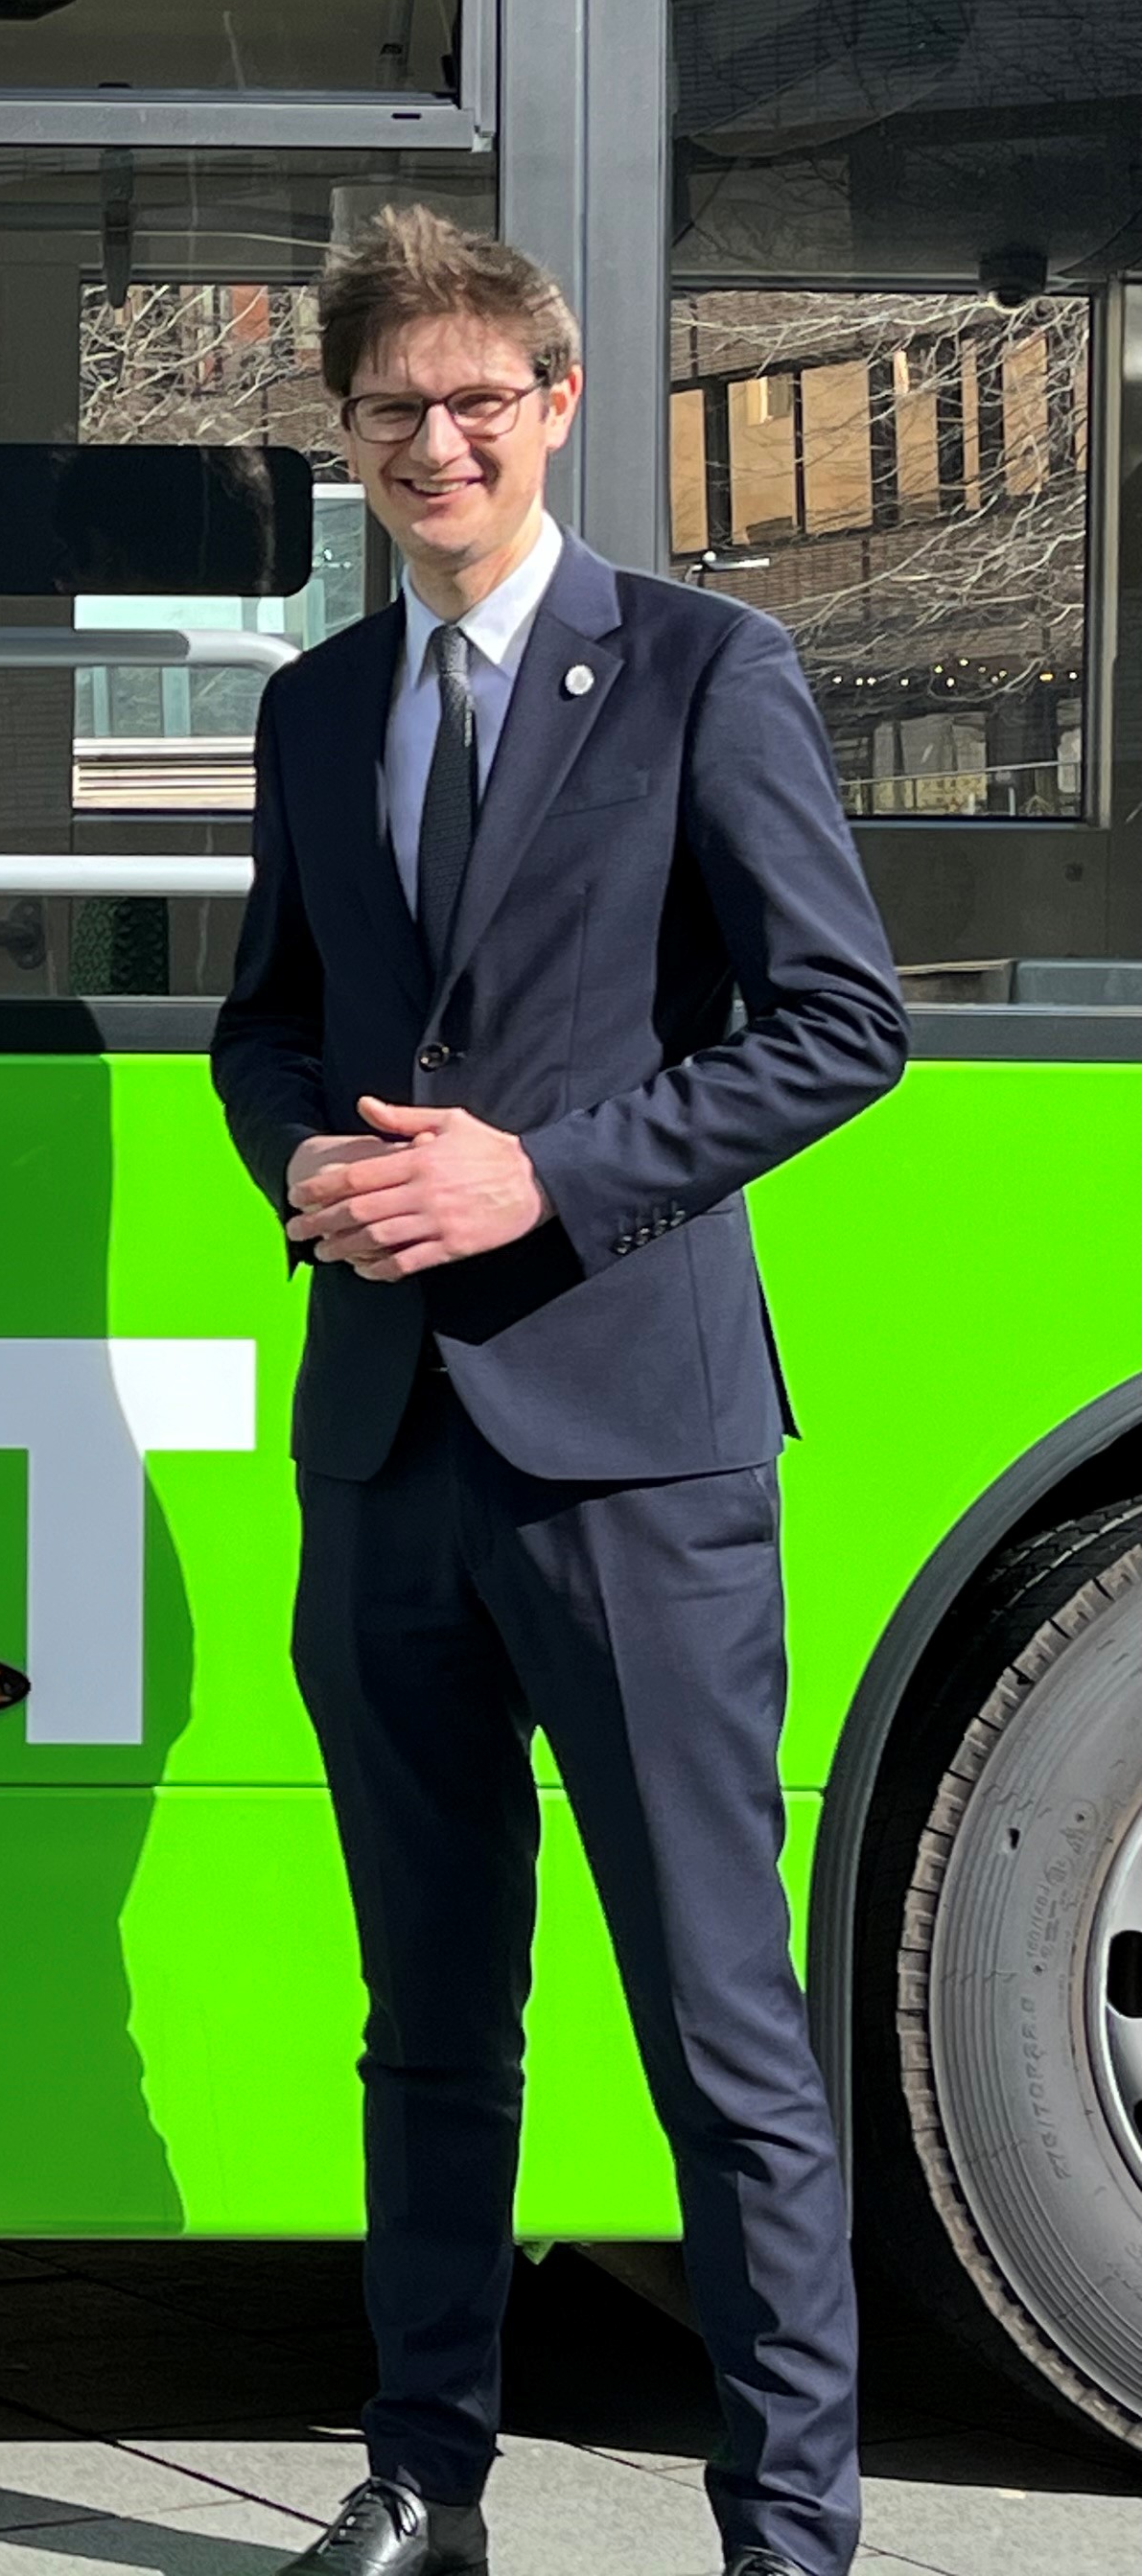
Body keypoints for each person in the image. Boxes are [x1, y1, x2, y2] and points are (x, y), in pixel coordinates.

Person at [211, 212, 905, 2576]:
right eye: (395, 405)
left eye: (481, 395)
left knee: (723, 2028)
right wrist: (298, 1149)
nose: (441, 437)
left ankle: (787, 2537)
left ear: (558, 402)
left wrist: (547, 1179)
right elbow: (267, 1013)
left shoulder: (709, 668)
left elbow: (842, 1024)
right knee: (428, 2024)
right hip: (387, 1449)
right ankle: (424, 2478)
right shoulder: (319, 708)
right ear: (345, 429)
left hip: (641, 1456)